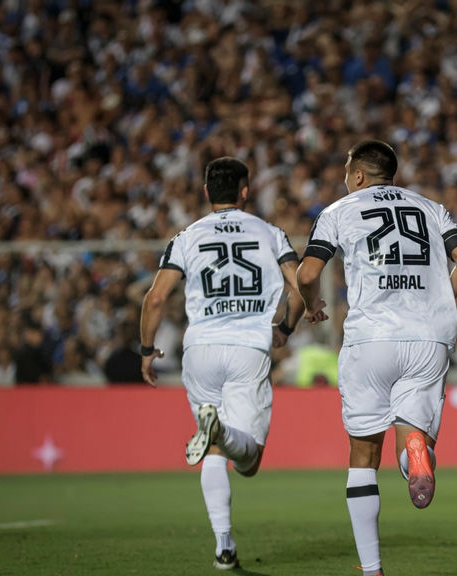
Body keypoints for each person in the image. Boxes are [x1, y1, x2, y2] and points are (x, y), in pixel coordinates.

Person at [296, 140, 457, 576]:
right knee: (413, 436)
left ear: (358, 175)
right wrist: (438, 303)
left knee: (363, 457)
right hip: (427, 339)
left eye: (346, 170)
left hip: (371, 338)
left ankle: (372, 569)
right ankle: (416, 450)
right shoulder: (431, 208)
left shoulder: (339, 211)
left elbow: (307, 274)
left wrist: (310, 304)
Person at [139, 157, 308, 571]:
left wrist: (146, 351)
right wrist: (285, 326)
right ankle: (222, 431)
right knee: (247, 462)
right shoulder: (271, 233)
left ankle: (224, 546)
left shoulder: (187, 235)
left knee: (214, 448)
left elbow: (156, 298)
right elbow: (299, 287)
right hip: (248, 347)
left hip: (199, 349)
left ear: (205, 192)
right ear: (246, 192)